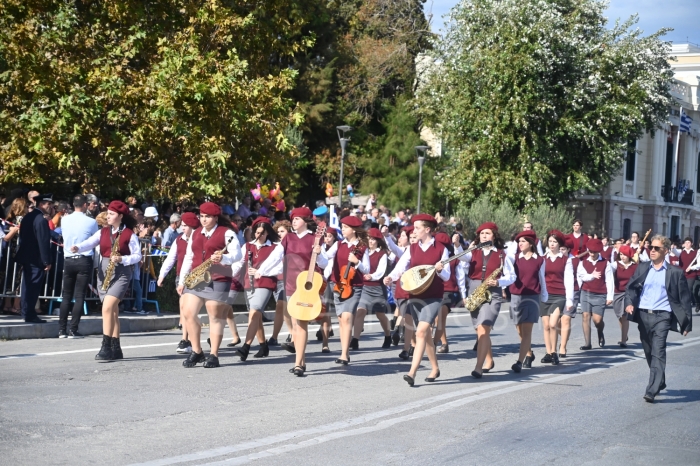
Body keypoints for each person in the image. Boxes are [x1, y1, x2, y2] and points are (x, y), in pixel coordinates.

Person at [624, 234, 692, 403]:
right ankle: (659, 380)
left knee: (658, 352)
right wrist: (629, 302)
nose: (652, 251)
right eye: (650, 248)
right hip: (643, 315)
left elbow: (684, 298)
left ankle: (651, 389)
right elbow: (630, 287)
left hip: (663, 316)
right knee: (648, 352)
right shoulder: (643, 268)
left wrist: (687, 322)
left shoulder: (675, 272)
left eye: (656, 248)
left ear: (666, 251)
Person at [70, 201, 142, 360]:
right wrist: (77, 247)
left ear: (120, 216)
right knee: (113, 311)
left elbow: (138, 256)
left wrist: (123, 258)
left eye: (111, 214)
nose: (107, 216)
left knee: (108, 307)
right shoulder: (103, 231)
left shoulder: (129, 234)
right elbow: (90, 243)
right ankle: (117, 348)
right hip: (104, 271)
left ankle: (106, 346)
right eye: (108, 213)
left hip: (121, 273)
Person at [385, 214, 448, 386]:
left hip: (433, 297)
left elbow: (447, 275)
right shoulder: (411, 249)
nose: (414, 230)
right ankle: (434, 368)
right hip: (415, 295)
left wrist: (440, 270)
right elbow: (401, 268)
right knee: (425, 334)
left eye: (418, 227)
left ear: (427, 229)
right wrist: (390, 277)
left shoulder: (442, 249)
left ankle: (412, 372)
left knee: (420, 332)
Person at [177, 202, 242, 368]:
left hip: (219, 277)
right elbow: (189, 256)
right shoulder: (196, 233)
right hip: (197, 277)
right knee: (188, 313)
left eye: (207, 217)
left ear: (215, 217)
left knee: (215, 316)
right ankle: (197, 351)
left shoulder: (226, 233)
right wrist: (183, 279)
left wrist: (224, 258)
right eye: (202, 216)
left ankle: (214, 354)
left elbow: (237, 254)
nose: (203, 219)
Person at [458, 222, 515, 378]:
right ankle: (489, 360)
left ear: (494, 236)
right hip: (475, 290)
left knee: (484, 327)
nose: (484, 236)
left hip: (492, 293)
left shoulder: (503, 254)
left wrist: (499, 282)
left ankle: (478, 367)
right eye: (482, 234)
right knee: (479, 330)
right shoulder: (473, 252)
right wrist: (458, 245)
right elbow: (461, 257)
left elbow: (512, 276)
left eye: (487, 233)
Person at [280, 207, 328, 376]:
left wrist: (319, 254)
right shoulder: (288, 238)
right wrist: (261, 271)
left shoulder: (314, 239)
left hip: (306, 286)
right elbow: (277, 257)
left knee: (301, 323)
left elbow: (324, 264)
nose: (294, 221)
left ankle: (298, 363)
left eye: (298, 219)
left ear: (306, 221)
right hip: (290, 284)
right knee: (295, 325)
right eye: (293, 219)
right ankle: (302, 361)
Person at [234, 217, 283, 361]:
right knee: (256, 316)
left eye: (262, 233)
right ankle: (263, 346)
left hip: (265, 282)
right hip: (249, 283)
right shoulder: (247, 246)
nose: (258, 235)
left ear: (267, 233)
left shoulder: (275, 247)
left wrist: (261, 272)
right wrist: (230, 275)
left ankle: (246, 347)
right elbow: (239, 263)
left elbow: (279, 267)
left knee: (255, 311)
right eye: (256, 232)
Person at [323, 215, 370, 364]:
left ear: (353, 230)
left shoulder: (362, 247)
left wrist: (357, 263)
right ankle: (345, 352)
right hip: (337, 284)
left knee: (348, 317)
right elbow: (325, 258)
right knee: (342, 320)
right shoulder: (338, 245)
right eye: (342, 227)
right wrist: (318, 251)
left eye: (345, 227)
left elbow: (367, 268)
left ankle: (344, 354)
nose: (342, 229)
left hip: (354, 286)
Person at [157, 212, 201, 354]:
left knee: (192, 309)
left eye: (185, 226)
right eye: (182, 225)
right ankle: (185, 340)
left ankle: (196, 339)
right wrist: (161, 275)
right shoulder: (178, 240)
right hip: (181, 277)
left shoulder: (200, 238)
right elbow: (170, 259)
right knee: (184, 307)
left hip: (198, 277)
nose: (183, 228)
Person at [58, 194, 99, 338]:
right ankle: (73, 329)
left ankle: (61, 329)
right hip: (84, 258)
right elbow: (95, 240)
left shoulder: (64, 220)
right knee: (80, 295)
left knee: (66, 295)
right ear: (85, 205)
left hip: (68, 258)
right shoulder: (91, 222)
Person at [507, 230, 548, 373]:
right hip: (516, 296)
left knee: (526, 331)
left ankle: (519, 361)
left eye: (523, 241)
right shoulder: (514, 258)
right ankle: (529, 353)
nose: (520, 244)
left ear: (531, 244)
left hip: (531, 297)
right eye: (519, 242)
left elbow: (542, 278)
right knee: (519, 329)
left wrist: (544, 295)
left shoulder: (540, 260)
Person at [14, 193, 53, 323]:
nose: (50, 206)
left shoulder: (29, 217)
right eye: (48, 204)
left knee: (27, 286)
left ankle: (26, 312)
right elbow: (43, 241)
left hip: (27, 257)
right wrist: (46, 261)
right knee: (33, 287)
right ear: (41, 204)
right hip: (36, 258)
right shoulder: (40, 219)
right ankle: (30, 313)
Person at [353, 228, 392, 350]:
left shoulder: (382, 254)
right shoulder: (363, 252)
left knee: (380, 314)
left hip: (377, 288)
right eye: (369, 238)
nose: (370, 241)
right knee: (360, 312)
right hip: (364, 287)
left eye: (373, 239)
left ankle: (388, 335)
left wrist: (372, 276)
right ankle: (355, 340)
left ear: (378, 241)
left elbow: (381, 271)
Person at [539, 230, 574, 366]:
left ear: (560, 244)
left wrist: (570, 299)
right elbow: (541, 278)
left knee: (553, 324)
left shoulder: (566, 260)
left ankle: (554, 352)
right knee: (546, 325)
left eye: (555, 242)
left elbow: (569, 280)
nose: (552, 244)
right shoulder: (542, 259)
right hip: (545, 294)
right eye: (550, 241)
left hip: (559, 295)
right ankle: (549, 352)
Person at [577, 238, 614, 350]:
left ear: (599, 251)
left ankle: (600, 330)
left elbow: (609, 280)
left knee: (597, 320)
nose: (592, 253)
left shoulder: (605, 263)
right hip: (586, 293)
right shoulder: (583, 263)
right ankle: (587, 343)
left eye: (594, 251)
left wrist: (609, 296)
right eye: (590, 251)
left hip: (600, 294)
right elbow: (580, 278)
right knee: (585, 316)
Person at [268, 220, 293, 346]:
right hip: (277, 279)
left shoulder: (291, 244)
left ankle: (291, 333)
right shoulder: (275, 246)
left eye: (282, 231)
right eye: (278, 232)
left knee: (284, 306)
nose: (279, 234)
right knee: (280, 308)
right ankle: (275, 336)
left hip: (289, 279)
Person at [611, 245, 637, 348]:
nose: (622, 257)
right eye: (621, 254)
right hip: (617, 292)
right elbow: (607, 270)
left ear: (629, 255)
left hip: (629, 293)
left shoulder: (635, 266)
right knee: (620, 316)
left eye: (625, 255)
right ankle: (624, 335)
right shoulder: (616, 265)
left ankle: (623, 340)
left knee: (625, 316)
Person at [678, 238, 699, 312]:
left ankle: (687, 305)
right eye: (685, 242)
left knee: (689, 289)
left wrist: (691, 268)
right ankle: (683, 303)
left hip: (691, 274)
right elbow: (674, 253)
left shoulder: (696, 252)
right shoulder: (681, 252)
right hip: (682, 274)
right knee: (682, 289)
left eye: (688, 242)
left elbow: (698, 264)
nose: (687, 244)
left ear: (691, 244)